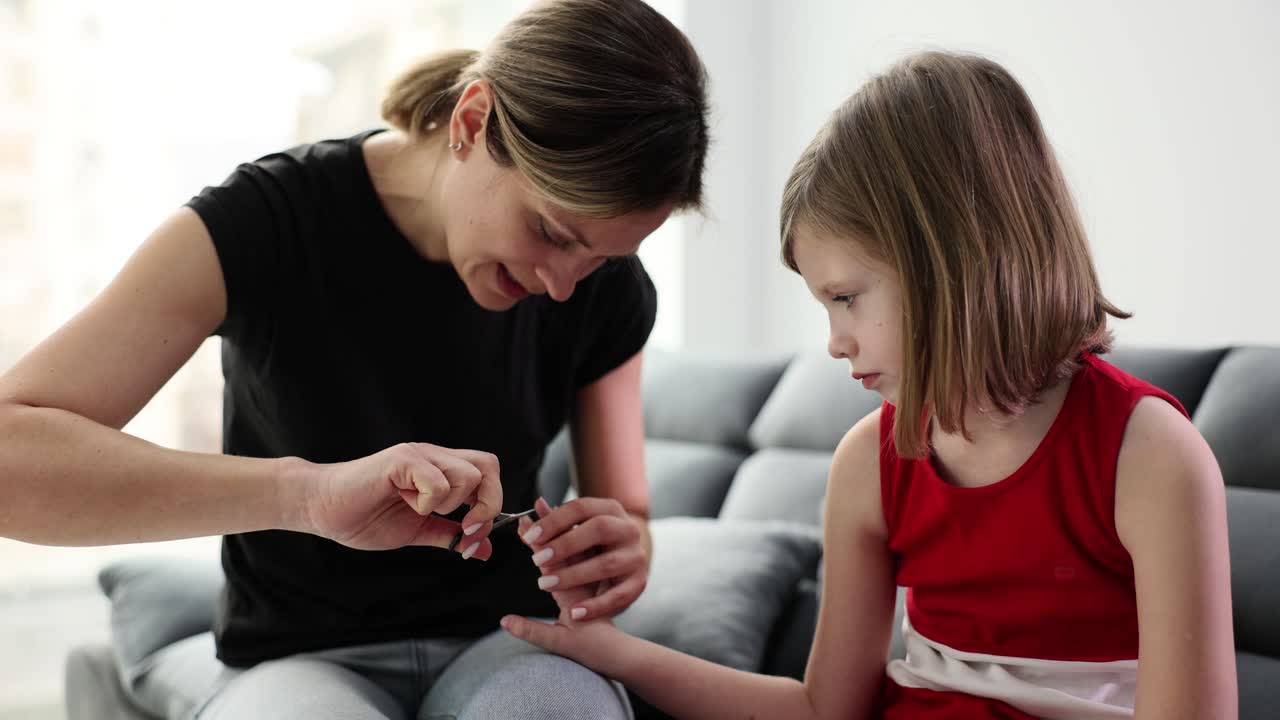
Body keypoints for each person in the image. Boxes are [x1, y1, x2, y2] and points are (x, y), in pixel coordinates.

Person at [0, 0, 709, 718]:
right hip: (297, 655)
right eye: (551, 232)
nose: (562, 286)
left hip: (507, 637)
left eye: (601, 257)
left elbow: (629, 514)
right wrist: (306, 497)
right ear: (471, 122)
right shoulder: (264, 223)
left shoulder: (603, 291)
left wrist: (620, 552)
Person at [502, 50, 1237, 719]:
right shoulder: (870, 463)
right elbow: (823, 709)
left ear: (954, 261)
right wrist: (616, 655)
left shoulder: (1149, 456)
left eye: (847, 298)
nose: (835, 342)